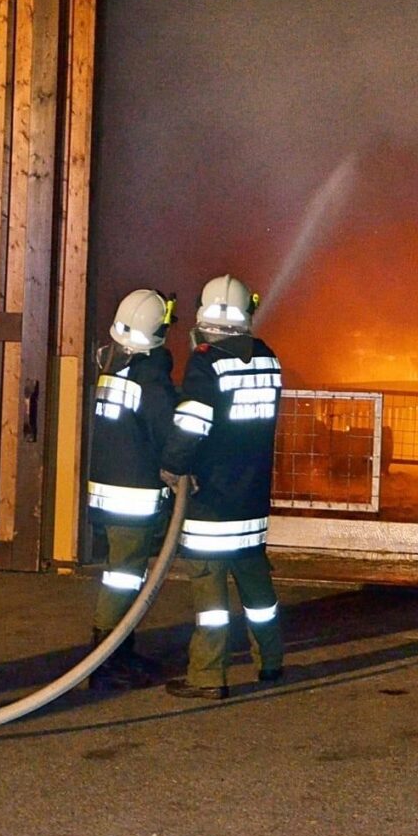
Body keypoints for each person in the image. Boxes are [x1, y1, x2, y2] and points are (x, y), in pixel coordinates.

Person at [159, 274, 284, 700]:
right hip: (251, 504)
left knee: (210, 601)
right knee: (258, 594)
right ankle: (271, 661)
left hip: (211, 504)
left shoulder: (206, 362)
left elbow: (191, 423)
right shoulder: (268, 358)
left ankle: (208, 677)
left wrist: (173, 465)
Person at [84, 288, 179, 691]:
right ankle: (107, 661)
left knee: (120, 575)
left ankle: (119, 651)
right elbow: (168, 433)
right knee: (124, 578)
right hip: (133, 500)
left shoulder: (112, 371)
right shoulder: (150, 379)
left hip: (106, 495)